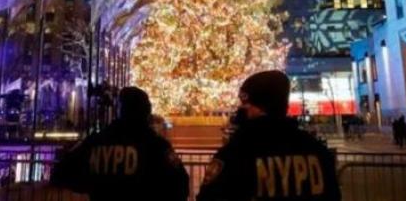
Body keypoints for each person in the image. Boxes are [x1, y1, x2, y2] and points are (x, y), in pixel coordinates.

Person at [197, 70, 341, 201]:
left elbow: (209, 196)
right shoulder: (316, 149)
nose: (241, 110)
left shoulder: (238, 151)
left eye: (246, 105)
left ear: (260, 107)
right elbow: (333, 195)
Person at [50, 86, 189, 201]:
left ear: (119, 110)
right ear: (146, 111)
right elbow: (181, 185)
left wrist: (93, 185)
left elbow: (61, 172)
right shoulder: (155, 145)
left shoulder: (97, 141)